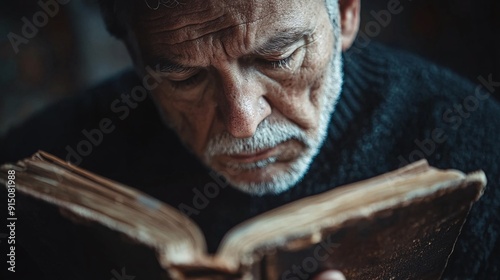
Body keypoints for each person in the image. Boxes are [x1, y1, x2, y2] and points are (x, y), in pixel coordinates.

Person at [1, 0, 499, 279]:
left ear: (345, 13)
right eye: (184, 79)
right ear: (131, 54)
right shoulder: (35, 167)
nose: (242, 121)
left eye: (278, 58)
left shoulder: (477, 144)